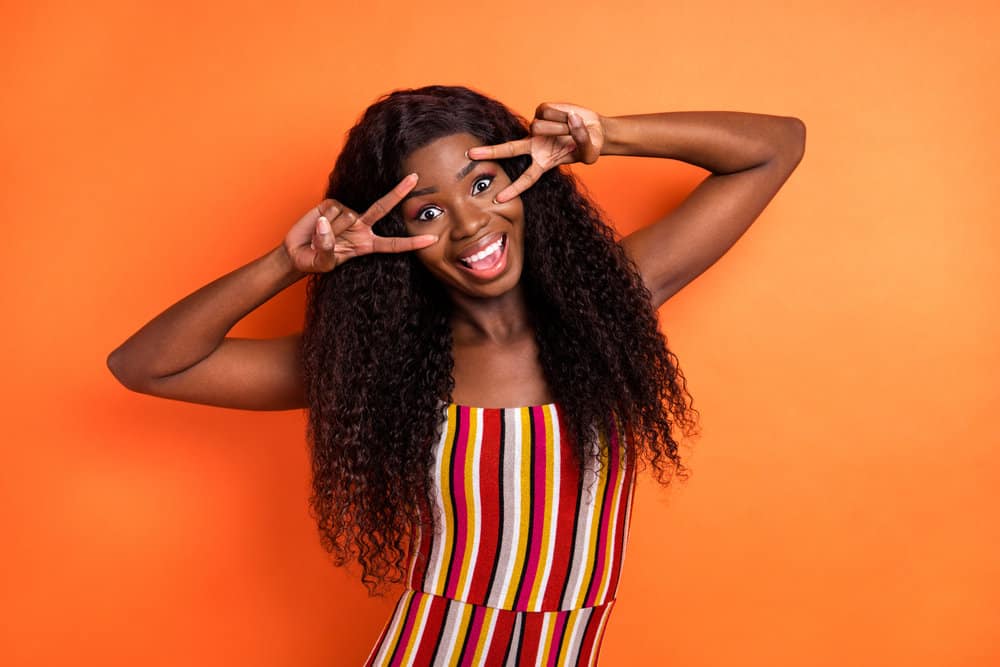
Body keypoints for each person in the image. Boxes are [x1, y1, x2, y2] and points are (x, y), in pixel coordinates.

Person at [107, 85, 805, 666]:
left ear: (525, 185)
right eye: (429, 211)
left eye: (483, 183)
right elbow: (147, 364)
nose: (471, 224)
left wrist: (605, 136)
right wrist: (285, 264)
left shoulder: (609, 303)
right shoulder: (371, 365)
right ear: (394, 236)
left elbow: (777, 147)